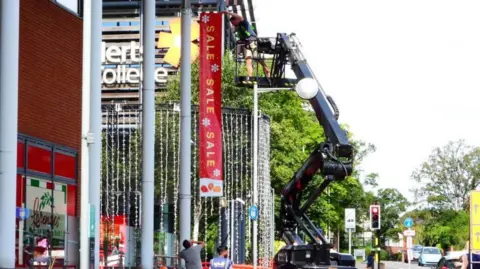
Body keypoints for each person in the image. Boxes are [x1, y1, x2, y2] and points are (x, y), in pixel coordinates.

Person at [222, 11, 271, 83]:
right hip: (246, 44)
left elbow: (240, 17)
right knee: (248, 60)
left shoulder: (244, 23)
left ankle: (267, 69)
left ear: (237, 20)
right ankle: (250, 77)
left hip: (252, 41)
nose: (233, 24)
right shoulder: (237, 28)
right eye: (232, 23)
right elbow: (238, 37)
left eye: (233, 22)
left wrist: (228, 13)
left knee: (257, 58)